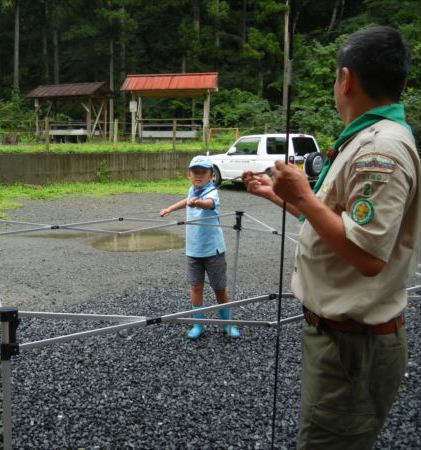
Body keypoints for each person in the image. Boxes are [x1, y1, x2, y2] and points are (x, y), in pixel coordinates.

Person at [243, 26, 419, 449]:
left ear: (346, 79)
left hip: (352, 347)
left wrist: (303, 192)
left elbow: (366, 254)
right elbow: (333, 225)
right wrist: (281, 196)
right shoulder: (364, 139)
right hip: (340, 340)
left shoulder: (382, 151)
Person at [160, 155, 240, 340]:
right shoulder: (192, 190)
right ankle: (198, 324)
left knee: (219, 288)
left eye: (203, 172)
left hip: (213, 251)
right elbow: (186, 199)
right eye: (195, 172)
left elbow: (209, 204)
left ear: (211, 175)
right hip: (193, 251)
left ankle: (228, 325)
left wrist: (197, 202)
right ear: (189, 174)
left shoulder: (211, 192)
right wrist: (169, 209)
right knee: (196, 288)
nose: (199, 175)